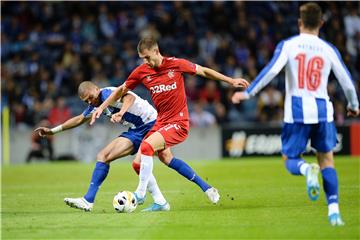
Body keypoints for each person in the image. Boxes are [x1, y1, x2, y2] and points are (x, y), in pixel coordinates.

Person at [231, 2, 359, 226]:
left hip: (297, 111)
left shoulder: (289, 45)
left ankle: (305, 169)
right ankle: (334, 212)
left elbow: (271, 70)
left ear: (300, 23)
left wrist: (249, 93)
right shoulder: (329, 49)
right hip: (322, 111)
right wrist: (353, 104)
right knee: (327, 160)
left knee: (289, 158)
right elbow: (347, 82)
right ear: (321, 23)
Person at [90, 37, 249, 207]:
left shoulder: (176, 64)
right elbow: (121, 90)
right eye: (142, 58)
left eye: (147, 57)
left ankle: (140, 194)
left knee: (146, 147)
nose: (145, 61)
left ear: (156, 51)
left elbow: (203, 71)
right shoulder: (142, 71)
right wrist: (101, 107)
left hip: (179, 122)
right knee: (142, 163)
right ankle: (202, 189)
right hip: (161, 122)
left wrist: (230, 81)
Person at [35, 81, 169, 212]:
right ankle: (88, 200)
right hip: (136, 130)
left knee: (166, 159)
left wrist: (121, 112)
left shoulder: (107, 94)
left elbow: (129, 97)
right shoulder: (96, 104)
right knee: (103, 156)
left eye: (90, 98)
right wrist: (52, 131)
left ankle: (155, 199)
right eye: (86, 101)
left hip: (151, 123)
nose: (89, 102)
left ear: (97, 89)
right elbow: (80, 119)